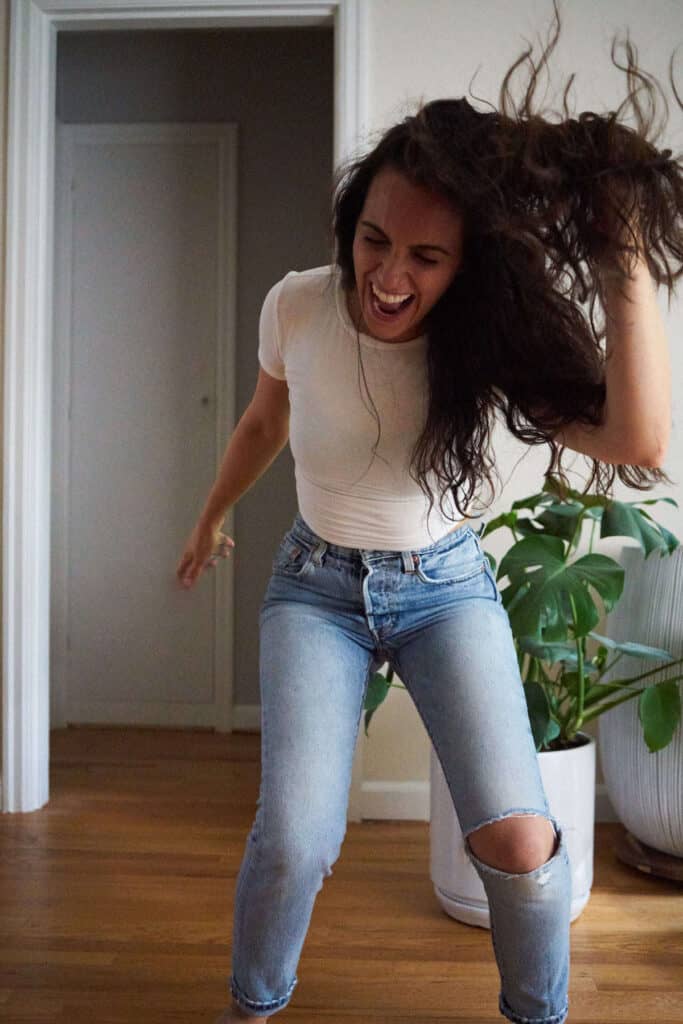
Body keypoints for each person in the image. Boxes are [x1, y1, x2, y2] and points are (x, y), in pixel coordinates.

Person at [176, 6, 681, 1022]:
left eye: (424, 257)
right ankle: (252, 1006)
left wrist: (619, 246)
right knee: (295, 836)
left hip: (442, 588)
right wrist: (211, 515)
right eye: (372, 239)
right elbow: (261, 424)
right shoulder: (295, 306)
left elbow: (635, 440)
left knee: (519, 838)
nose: (388, 276)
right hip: (313, 586)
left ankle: (536, 1014)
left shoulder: (480, 345)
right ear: (348, 222)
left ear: (465, 267)